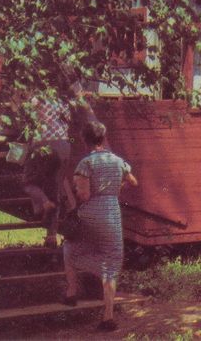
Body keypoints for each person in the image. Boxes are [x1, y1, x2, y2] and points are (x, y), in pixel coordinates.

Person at [63, 120, 138, 332]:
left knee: (71, 248)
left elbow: (84, 195)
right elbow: (133, 181)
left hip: (91, 212)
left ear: (84, 139)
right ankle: (108, 317)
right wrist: (115, 189)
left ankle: (72, 291)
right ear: (103, 138)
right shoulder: (116, 160)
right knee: (112, 260)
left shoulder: (85, 164)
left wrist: (78, 192)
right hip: (111, 211)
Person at [22, 93, 72, 248]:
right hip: (63, 146)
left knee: (29, 183)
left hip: (43, 144)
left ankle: (43, 203)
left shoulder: (34, 99)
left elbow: (25, 122)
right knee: (55, 190)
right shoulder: (63, 100)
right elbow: (69, 119)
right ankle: (51, 235)